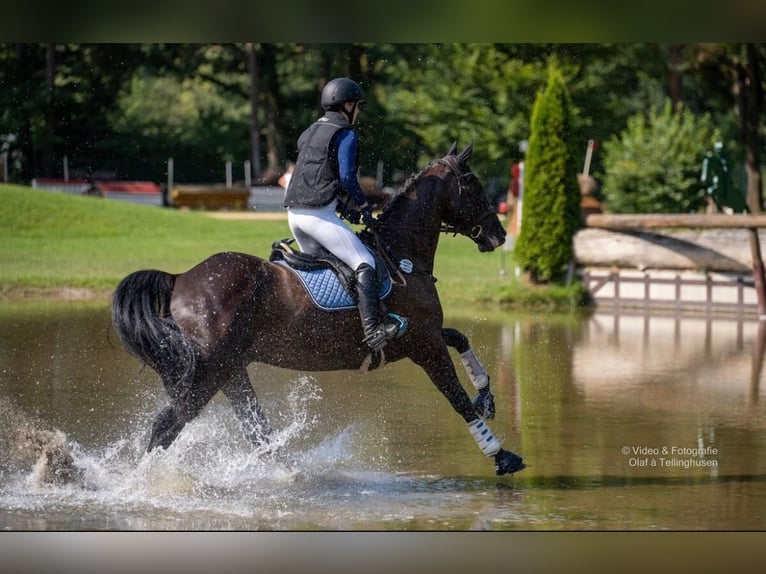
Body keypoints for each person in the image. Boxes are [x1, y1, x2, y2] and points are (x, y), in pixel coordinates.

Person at [283, 77, 404, 350]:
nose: (358, 112)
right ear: (347, 105)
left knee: (332, 267)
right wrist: (362, 206)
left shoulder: (308, 133)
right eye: (357, 106)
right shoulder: (346, 133)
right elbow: (347, 177)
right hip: (318, 218)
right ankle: (373, 330)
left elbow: (319, 179)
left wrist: (345, 210)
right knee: (364, 262)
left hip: (295, 217)